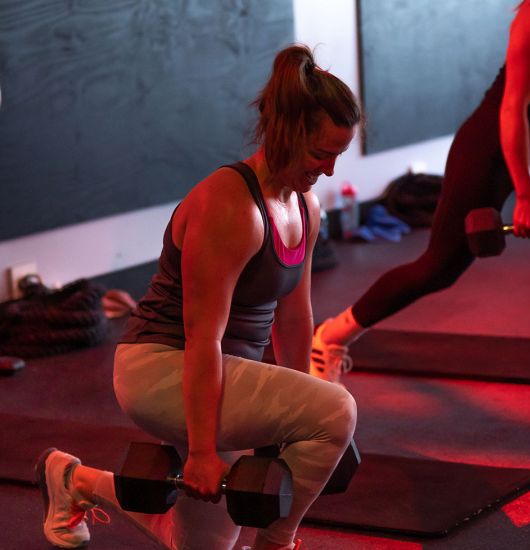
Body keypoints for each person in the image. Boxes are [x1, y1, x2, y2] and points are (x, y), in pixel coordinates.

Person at [36, 44, 360, 550]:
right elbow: (200, 336)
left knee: (204, 545)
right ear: (285, 134)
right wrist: (203, 451)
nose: (331, 169)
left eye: (338, 155)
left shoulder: (306, 207)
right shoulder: (229, 207)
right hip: (163, 367)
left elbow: (296, 319)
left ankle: (72, 481)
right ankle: (277, 544)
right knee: (337, 410)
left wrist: (288, 423)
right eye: (322, 154)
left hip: (225, 373)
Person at [311, 0, 530, 412]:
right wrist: (524, 194)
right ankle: (330, 339)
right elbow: (512, 106)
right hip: (492, 152)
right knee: (438, 268)